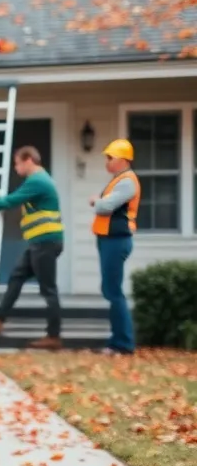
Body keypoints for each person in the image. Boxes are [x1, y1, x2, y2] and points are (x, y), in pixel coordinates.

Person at [0, 146, 64, 350]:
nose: (15, 167)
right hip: (39, 242)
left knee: (48, 289)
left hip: (45, 241)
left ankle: (53, 336)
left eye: (17, 163)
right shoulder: (39, 179)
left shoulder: (37, 180)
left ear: (28, 160)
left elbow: (11, 200)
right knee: (17, 276)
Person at [91, 139, 141, 355]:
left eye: (109, 158)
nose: (107, 162)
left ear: (122, 160)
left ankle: (123, 343)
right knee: (110, 290)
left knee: (114, 292)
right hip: (108, 239)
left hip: (116, 240)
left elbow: (106, 207)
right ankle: (118, 341)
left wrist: (95, 201)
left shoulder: (128, 181)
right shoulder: (119, 180)